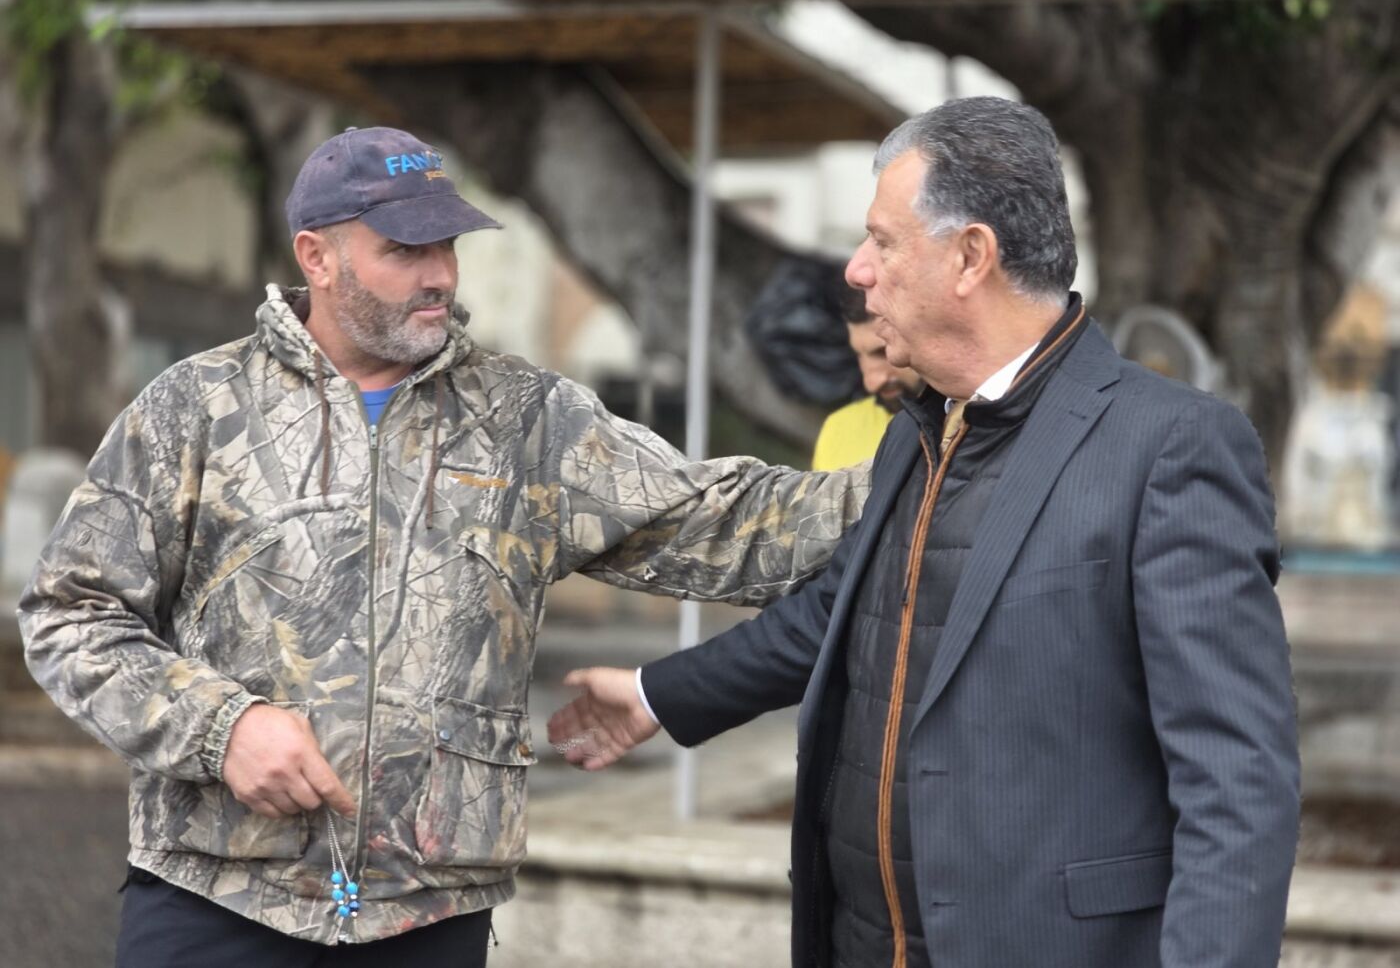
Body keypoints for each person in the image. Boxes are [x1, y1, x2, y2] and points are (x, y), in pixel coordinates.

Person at [17, 125, 869, 967]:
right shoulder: (194, 408)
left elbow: (728, 522)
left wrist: (919, 469)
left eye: (447, 245)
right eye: (404, 249)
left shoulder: (526, 420)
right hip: (213, 897)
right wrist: (222, 729)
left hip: (427, 916)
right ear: (317, 257)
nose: (440, 276)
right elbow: (69, 614)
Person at [548, 98, 1301, 968]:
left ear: (971, 256)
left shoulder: (1170, 444)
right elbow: (842, 614)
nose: (858, 271)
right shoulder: (920, 430)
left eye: (883, 241)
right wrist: (656, 697)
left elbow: (1237, 780)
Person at [811, 285, 924, 471]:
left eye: (883, 352)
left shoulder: (973, 424)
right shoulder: (839, 430)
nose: (871, 383)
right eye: (858, 355)